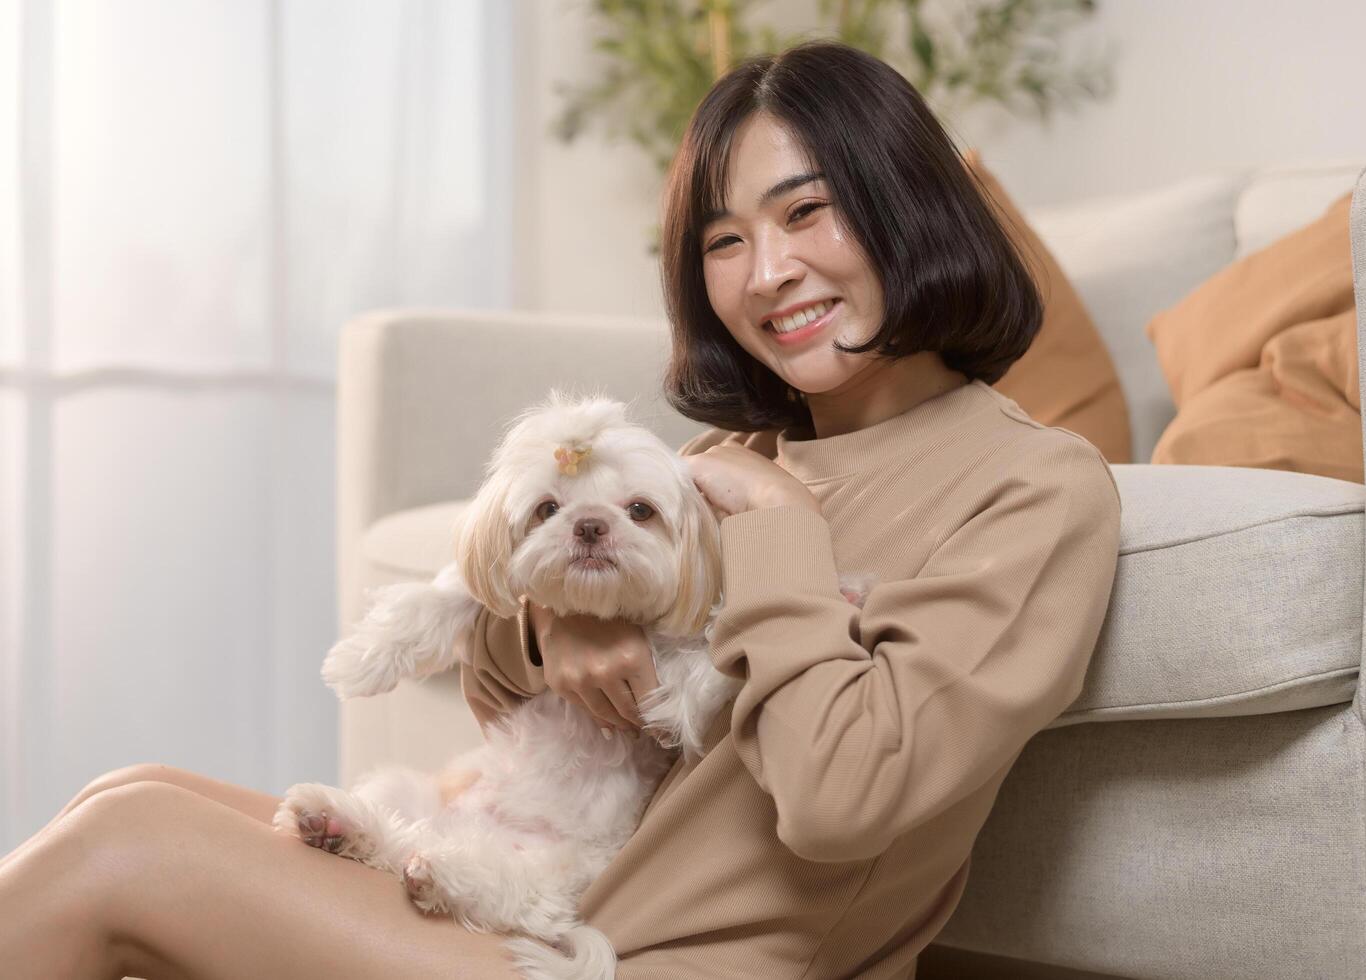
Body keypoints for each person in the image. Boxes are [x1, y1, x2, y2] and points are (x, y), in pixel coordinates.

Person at [0, 38, 1120, 980]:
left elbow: (843, 800)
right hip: (538, 904)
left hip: (649, 957)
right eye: (724, 239)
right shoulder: (729, 457)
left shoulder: (1033, 489)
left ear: (907, 207)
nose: (767, 270)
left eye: (807, 212)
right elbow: (497, 680)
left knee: (124, 843)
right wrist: (563, 621)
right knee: (131, 786)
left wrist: (779, 526)